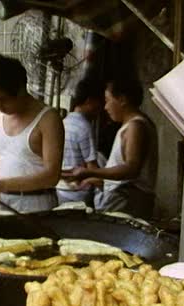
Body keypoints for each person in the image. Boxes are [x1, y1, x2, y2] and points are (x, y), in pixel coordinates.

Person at [0, 54, 64, 213]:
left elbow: (52, 176)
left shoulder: (48, 119)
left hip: (37, 207)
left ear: (20, 88)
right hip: (4, 204)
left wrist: (3, 184)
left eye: (2, 100)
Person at [65, 76, 158, 219]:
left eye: (108, 100)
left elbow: (131, 169)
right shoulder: (134, 124)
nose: (105, 107)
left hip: (127, 202)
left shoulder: (135, 127)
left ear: (122, 99)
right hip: (126, 198)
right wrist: (95, 179)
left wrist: (91, 172)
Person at [56, 77, 104, 207]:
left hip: (60, 190)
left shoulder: (63, 123)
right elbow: (92, 168)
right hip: (78, 194)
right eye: (100, 104)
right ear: (90, 101)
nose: (102, 109)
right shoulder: (84, 127)